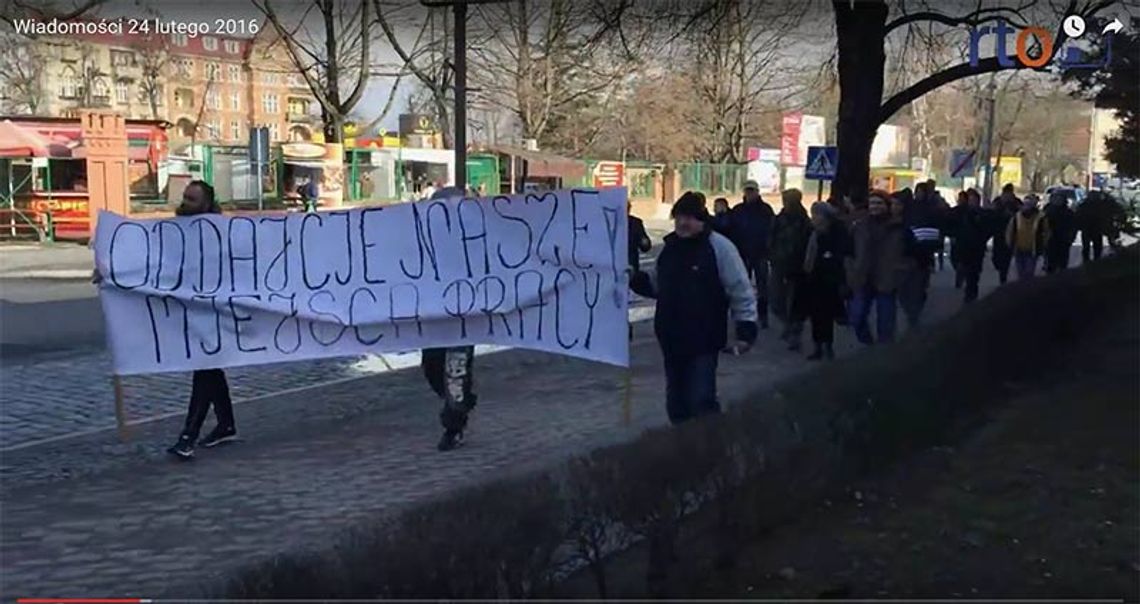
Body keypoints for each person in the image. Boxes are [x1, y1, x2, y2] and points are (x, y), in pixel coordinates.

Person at [113, 181, 236, 459]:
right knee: (211, 370)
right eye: (185, 198)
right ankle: (226, 424)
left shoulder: (220, 233)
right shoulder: (176, 232)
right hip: (191, 312)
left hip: (215, 313)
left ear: (207, 204)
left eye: (192, 199)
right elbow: (151, 261)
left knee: (204, 368)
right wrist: (111, 274)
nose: (185, 203)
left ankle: (188, 436)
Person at [630, 192, 758, 424]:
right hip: (671, 337)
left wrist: (746, 330)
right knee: (676, 403)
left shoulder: (719, 248)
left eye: (688, 218)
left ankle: (709, 449)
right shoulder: (670, 248)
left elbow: (741, 290)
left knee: (701, 399)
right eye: (678, 217)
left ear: (701, 220)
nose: (682, 223)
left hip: (704, 337)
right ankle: (683, 452)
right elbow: (659, 286)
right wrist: (637, 280)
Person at [421, 186, 479, 451]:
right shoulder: (426, 241)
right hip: (436, 318)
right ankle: (459, 401)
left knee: (455, 373)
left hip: (464, 321)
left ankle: (453, 426)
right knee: (432, 367)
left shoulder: (477, 240)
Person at [847, 192, 907, 345]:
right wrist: (852, 270)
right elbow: (849, 250)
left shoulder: (899, 228)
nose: (875, 207)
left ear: (887, 206)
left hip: (887, 280)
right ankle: (869, 345)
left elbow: (909, 253)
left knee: (886, 324)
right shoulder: (859, 226)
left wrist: (900, 272)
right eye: (872, 203)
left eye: (879, 203)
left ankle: (883, 354)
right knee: (856, 317)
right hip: (863, 278)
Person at [797, 202, 849, 360]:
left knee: (826, 315)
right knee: (816, 315)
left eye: (817, 214)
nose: (815, 218)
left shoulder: (836, 231)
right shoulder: (813, 232)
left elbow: (841, 254)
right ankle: (818, 346)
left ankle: (827, 346)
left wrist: (829, 258)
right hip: (814, 278)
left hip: (830, 279)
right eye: (813, 214)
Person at [726, 179, 775, 328]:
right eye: (747, 191)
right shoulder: (738, 210)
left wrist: (768, 248)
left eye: (752, 191)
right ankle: (743, 316)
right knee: (740, 287)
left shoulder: (765, 210)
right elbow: (730, 229)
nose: (749, 194)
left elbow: (772, 230)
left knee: (762, 287)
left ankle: (762, 316)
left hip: (760, 253)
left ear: (757, 192)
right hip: (742, 253)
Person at [768, 188, 812, 352]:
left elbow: (808, 245)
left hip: (797, 267)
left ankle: (795, 334)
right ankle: (788, 324)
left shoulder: (804, 222)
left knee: (795, 303)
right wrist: (771, 254)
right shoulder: (779, 219)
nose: (785, 203)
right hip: (779, 264)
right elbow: (771, 238)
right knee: (776, 301)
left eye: (788, 200)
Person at [897, 185, 942, 331]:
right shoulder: (910, 208)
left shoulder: (931, 209)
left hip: (922, 255)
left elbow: (938, 230)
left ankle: (913, 314)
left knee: (918, 286)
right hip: (913, 253)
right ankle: (912, 312)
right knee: (908, 288)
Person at [946, 188, 991, 304]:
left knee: (974, 275)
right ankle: (965, 284)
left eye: (974, 200)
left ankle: (971, 296)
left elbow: (987, 230)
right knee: (963, 267)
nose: (972, 202)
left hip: (977, 249)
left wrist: (982, 241)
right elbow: (952, 224)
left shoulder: (982, 214)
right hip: (963, 247)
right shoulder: (962, 213)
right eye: (970, 200)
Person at [1005, 193, 1051, 281]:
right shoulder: (1016, 217)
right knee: (1020, 274)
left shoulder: (1041, 217)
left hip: (1032, 251)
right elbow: (1009, 231)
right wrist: (1010, 244)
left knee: (1029, 274)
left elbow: (1047, 232)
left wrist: (1042, 245)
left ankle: (1027, 291)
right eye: (1026, 204)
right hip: (1019, 249)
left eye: (1030, 204)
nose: (1027, 207)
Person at [628, 202, 653, 340]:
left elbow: (645, 245)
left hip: (630, 266)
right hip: (610, 266)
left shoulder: (635, 223)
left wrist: (645, 242)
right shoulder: (605, 220)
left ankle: (625, 326)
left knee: (625, 298)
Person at [990, 183, 1022, 284]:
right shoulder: (998, 202)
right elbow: (992, 214)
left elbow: (1021, 214)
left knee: (1006, 257)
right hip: (998, 233)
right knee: (997, 258)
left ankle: (1003, 277)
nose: (1008, 196)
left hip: (1011, 234)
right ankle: (1001, 271)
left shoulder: (1016, 203)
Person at [1043, 191, 1077, 274]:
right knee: (1050, 262)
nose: (1057, 201)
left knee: (1062, 263)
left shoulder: (1069, 213)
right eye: (1056, 199)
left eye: (1060, 199)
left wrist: (1071, 238)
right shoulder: (1047, 210)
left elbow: (1074, 226)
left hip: (1064, 240)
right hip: (1051, 240)